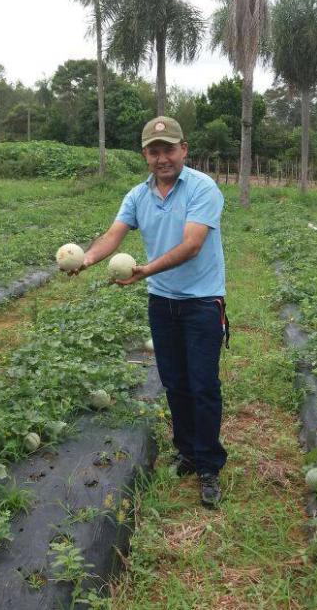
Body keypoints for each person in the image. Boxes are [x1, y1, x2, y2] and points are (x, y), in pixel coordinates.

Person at [73, 116, 228, 508]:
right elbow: (113, 234)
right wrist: (88, 258)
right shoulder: (137, 195)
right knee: (174, 382)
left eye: (169, 149)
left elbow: (192, 244)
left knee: (203, 384)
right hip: (163, 302)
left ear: (184, 149)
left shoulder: (202, 188)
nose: (163, 158)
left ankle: (209, 465)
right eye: (154, 151)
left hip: (202, 302)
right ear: (145, 154)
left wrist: (145, 271)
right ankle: (187, 451)